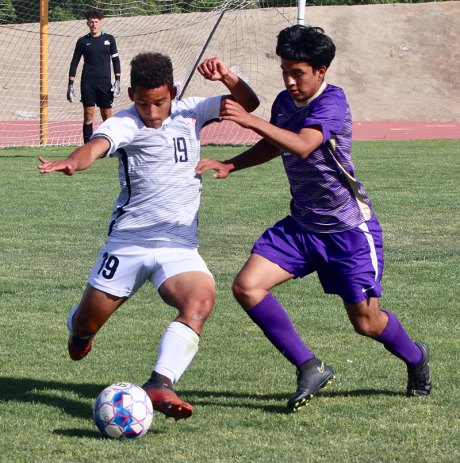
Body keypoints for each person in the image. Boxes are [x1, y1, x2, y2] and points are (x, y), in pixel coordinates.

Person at [196, 25, 431, 412]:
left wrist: (248, 120)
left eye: (298, 73)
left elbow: (304, 145)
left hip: (349, 233)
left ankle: (416, 358)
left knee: (366, 323)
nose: (289, 81)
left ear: (321, 71)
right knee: (247, 287)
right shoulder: (285, 104)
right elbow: (275, 143)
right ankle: (310, 366)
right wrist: (231, 164)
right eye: (285, 71)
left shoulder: (332, 102)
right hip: (303, 227)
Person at [39, 52, 259, 420]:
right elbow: (96, 146)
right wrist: (73, 161)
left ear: (172, 92)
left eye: (159, 102)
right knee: (85, 326)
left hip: (179, 246)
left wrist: (227, 77)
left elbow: (247, 105)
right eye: (143, 102)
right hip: (128, 244)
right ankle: (79, 330)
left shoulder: (194, 111)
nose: (152, 111)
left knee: (200, 301)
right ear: (131, 95)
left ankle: (160, 383)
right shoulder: (125, 124)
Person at [67, 9, 121, 143]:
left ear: (100, 23)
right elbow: (74, 62)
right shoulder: (82, 41)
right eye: (91, 22)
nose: (94, 24)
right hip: (88, 82)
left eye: (96, 22)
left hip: (104, 82)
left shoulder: (109, 39)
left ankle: (110, 145)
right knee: (88, 115)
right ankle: (88, 147)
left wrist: (118, 80)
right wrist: (70, 85)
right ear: (87, 24)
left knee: (107, 116)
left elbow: (115, 60)